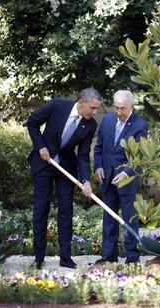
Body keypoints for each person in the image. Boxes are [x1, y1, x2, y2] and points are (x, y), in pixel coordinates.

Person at [27, 88, 103, 269]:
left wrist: (85, 180)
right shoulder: (56, 106)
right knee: (41, 209)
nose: (95, 112)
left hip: (66, 168)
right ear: (81, 102)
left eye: (97, 109)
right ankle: (38, 258)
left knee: (66, 212)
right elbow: (32, 123)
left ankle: (66, 258)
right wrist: (40, 147)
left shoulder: (90, 125)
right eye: (92, 108)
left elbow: (83, 155)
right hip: (44, 162)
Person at [94, 90, 148, 264]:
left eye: (122, 109)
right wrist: (98, 167)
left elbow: (139, 156)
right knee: (109, 217)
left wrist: (125, 173)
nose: (118, 112)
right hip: (107, 177)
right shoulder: (108, 120)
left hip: (127, 179)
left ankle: (132, 256)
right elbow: (99, 148)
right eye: (116, 108)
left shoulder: (140, 125)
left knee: (129, 217)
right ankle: (108, 255)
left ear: (131, 106)